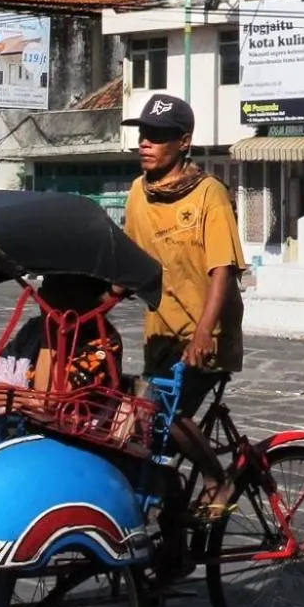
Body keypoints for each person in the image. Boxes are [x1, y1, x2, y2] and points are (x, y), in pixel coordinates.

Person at [121, 94, 245, 420]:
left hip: (204, 337)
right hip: (161, 336)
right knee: (139, 427)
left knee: (165, 425)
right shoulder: (137, 192)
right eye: (142, 135)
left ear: (184, 141)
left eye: (158, 137)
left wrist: (204, 332)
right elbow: (131, 260)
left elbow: (223, 269)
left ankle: (213, 474)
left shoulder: (209, 194)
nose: (145, 144)